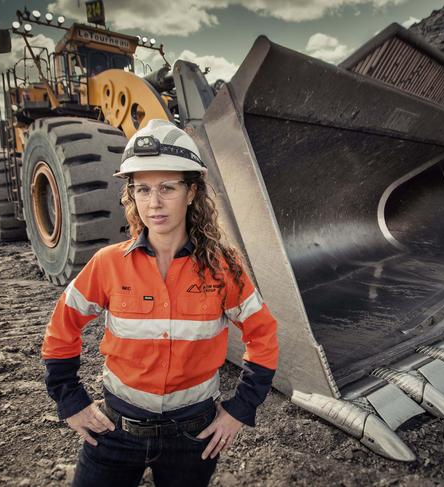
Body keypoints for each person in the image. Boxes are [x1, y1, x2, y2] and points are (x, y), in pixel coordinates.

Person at [41, 119, 279, 487]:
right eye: (143, 189)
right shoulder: (108, 264)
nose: (154, 203)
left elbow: (263, 335)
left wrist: (240, 410)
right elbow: (62, 328)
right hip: (115, 431)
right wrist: (70, 401)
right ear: (131, 194)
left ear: (191, 192)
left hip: (193, 437)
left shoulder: (223, 267)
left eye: (167, 188)